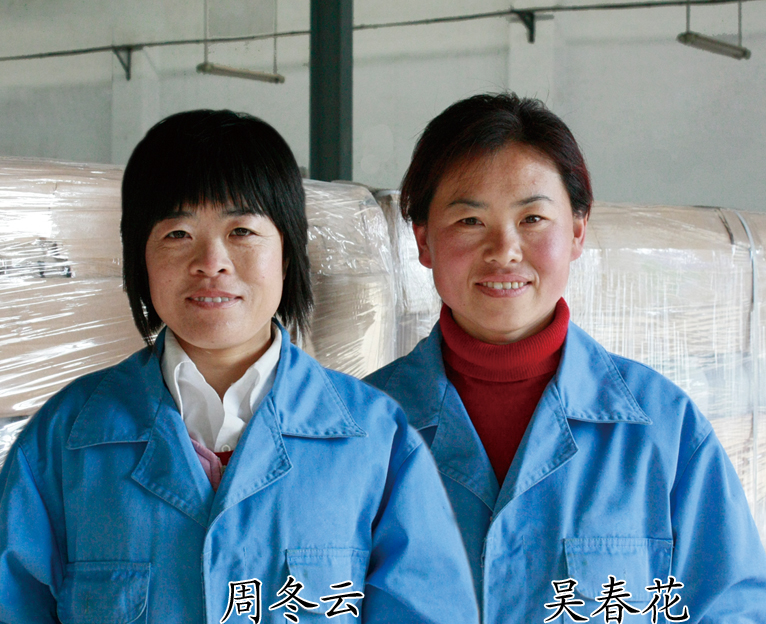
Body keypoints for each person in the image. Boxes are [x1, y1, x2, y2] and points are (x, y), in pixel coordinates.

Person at [0, 110, 478, 623]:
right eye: (177, 233)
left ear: (287, 254)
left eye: (242, 230)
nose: (212, 261)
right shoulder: (63, 441)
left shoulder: (377, 441)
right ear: (141, 258)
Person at [365, 93, 766, 623]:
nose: (504, 250)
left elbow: (732, 608)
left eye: (532, 218)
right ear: (423, 241)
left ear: (577, 231)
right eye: (469, 221)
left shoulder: (663, 430)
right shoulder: (357, 430)